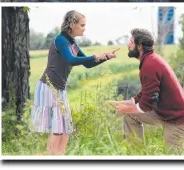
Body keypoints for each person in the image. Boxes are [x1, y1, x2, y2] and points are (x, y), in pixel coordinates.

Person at [31, 10, 118, 155]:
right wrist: (95, 56)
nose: (85, 28)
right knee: (58, 129)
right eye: (82, 25)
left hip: (60, 89)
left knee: (66, 129)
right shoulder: (60, 40)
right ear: (72, 24)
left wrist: (106, 57)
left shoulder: (72, 43)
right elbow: (70, 60)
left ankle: (60, 158)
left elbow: (88, 64)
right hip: (49, 87)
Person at [107, 28, 184, 153]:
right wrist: (127, 103)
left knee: (172, 157)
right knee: (130, 115)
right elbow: (146, 92)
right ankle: (136, 154)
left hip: (176, 117)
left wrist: (125, 108)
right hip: (163, 111)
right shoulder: (149, 60)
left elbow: (148, 103)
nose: (128, 45)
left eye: (131, 42)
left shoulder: (150, 64)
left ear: (140, 46)